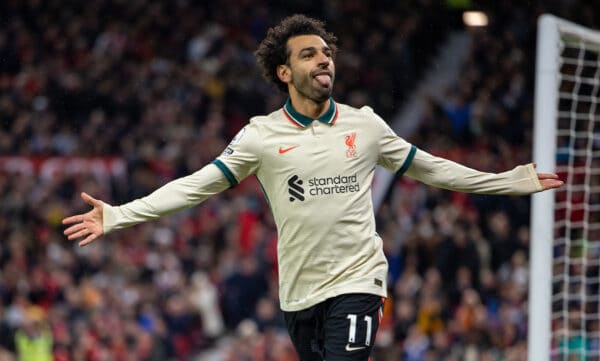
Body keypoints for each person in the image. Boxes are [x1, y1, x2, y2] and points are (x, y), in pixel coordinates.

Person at [62, 14, 563, 361]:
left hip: (358, 281)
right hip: (299, 295)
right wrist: (119, 214)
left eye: (326, 53)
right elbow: (197, 186)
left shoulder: (365, 125)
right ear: (285, 72)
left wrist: (507, 181)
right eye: (309, 55)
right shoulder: (260, 137)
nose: (324, 61)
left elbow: (431, 168)